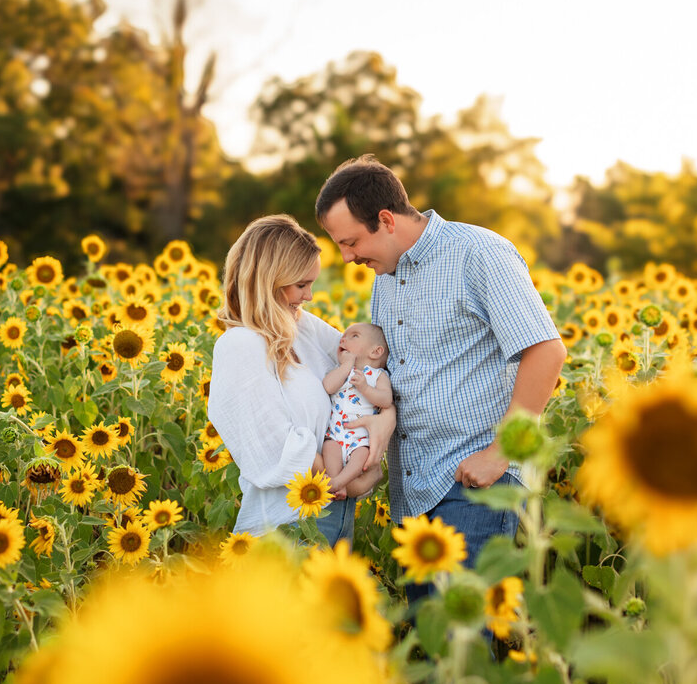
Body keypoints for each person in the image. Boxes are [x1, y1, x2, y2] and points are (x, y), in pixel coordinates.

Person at [316, 155, 566, 600]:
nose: (348, 257)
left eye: (351, 242)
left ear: (387, 220)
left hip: (475, 480)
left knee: (461, 647)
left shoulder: (477, 253)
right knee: (432, 641)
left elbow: (545, 351)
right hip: (414, 488)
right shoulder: (386, 278)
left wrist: (499, 453)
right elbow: (401, 378)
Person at [207, 215, 394, 546]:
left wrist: (386, 419)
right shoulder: (240, 346)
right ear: (269, 281)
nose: (308, 296)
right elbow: (273, 447)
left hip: (332, 510)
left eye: (312, 284)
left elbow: (370, 365)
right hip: (287, 524)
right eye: (301, 285)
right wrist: (354, 482)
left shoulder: (301, 327)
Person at [314, 322, 392, 501]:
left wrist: (365, 388)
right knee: (329, 447)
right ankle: (337, 484)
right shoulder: (341, 371)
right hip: (336, 433)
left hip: (360, 438)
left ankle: (340, 481)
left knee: (362, 455)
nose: (343, 339)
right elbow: (327, 386)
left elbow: (386, 400)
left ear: (375, 352)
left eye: (354, 336)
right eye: (344, 335)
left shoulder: (377, 375)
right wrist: (345, 366)